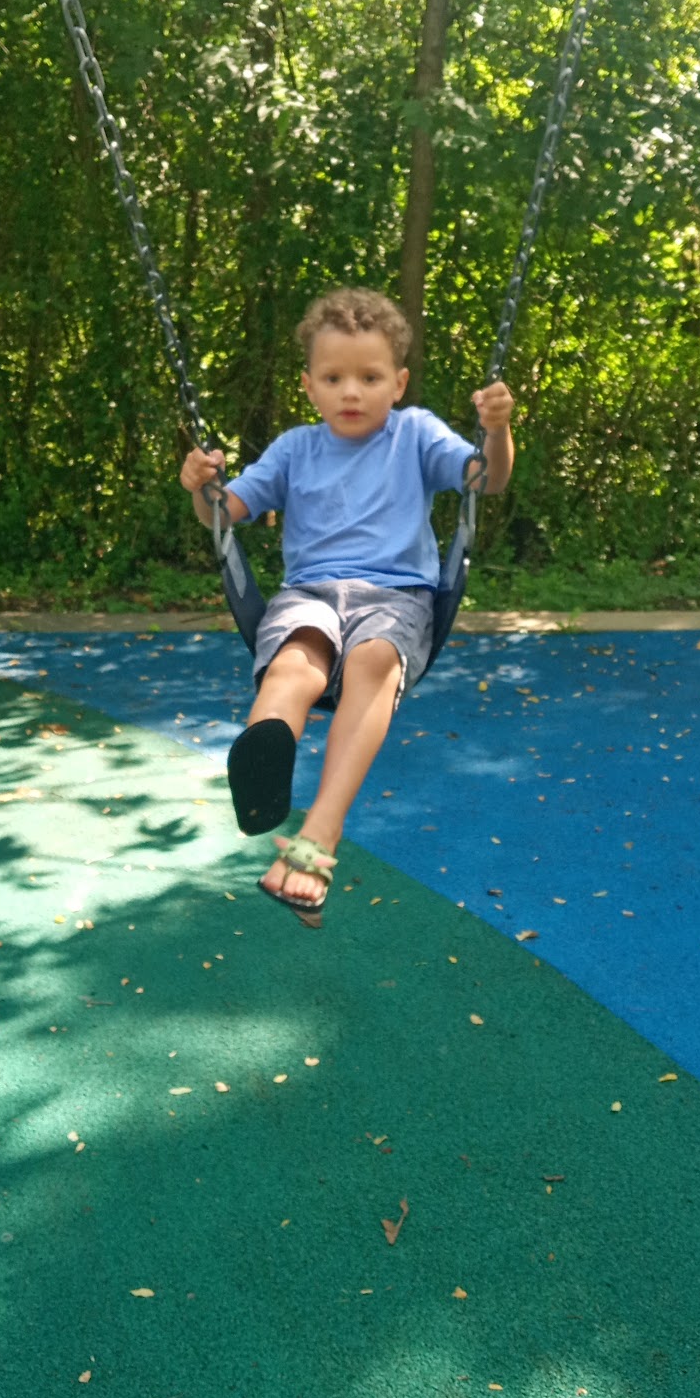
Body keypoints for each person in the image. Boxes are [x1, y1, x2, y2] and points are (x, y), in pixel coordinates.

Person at [178, 287, 515, 927]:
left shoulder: (415, 434)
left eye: (369, 377)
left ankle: (319, 832)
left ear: (399, 383)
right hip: (309, 594)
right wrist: (203, 487)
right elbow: (226, 513)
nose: (351, 392)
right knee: (293, 663)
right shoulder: (294, 448)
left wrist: (495, 431)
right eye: (333, 379)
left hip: (395, 595)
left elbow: (486, 479)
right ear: (309, 386)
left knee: (374, 659)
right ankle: (266, 759)